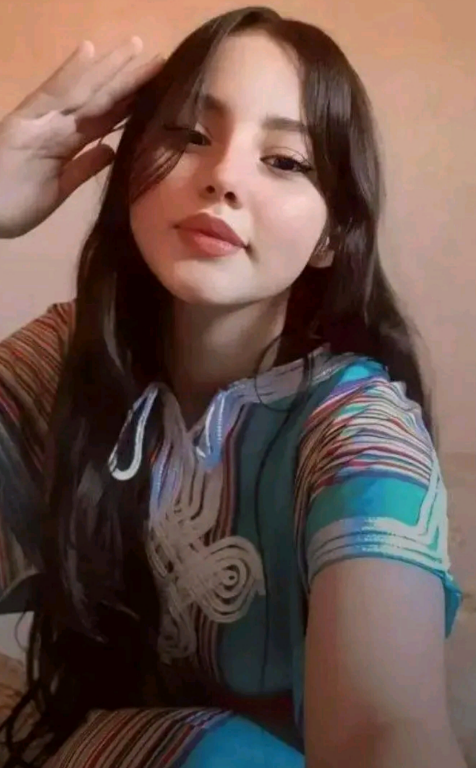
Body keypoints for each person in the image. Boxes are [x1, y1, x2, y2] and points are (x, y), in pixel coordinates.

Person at [0, 6, 467, 767]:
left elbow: (386, 733)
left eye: (284, 160)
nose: (222, 176)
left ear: (332, 235)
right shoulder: (66, 359)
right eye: (190, 134)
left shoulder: (358, 432)